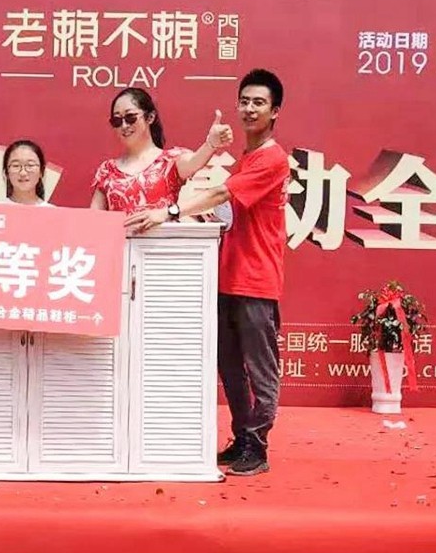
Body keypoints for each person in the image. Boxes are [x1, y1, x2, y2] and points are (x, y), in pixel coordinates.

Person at [125, 69, 289, 476]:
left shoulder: (272, 158)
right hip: (227, 276)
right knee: (230, 367)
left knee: (259, 368)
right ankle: (243, 437)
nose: (249, 109)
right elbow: (224, 211)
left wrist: (169, 211)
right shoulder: (247, 158)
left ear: (275, 111)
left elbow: (220, 194)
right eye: (244, 101)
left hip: (257, 280)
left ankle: (259, 445)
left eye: (259, 103)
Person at [90, 87, 232, 217]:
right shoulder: (107, 170)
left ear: (150, 117)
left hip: (163, 237)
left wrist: (211, 144)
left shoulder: (169, 161)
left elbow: (195, 161)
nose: (124, 125)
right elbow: (94, 220)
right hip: (118, 238)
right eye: (117, 120)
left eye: (130, 117)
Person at [2, 139, 54, 207]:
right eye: (16, 165)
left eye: (30, 165)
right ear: (6, 172)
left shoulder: (52, 211)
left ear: (41, 171)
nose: (23, 173)